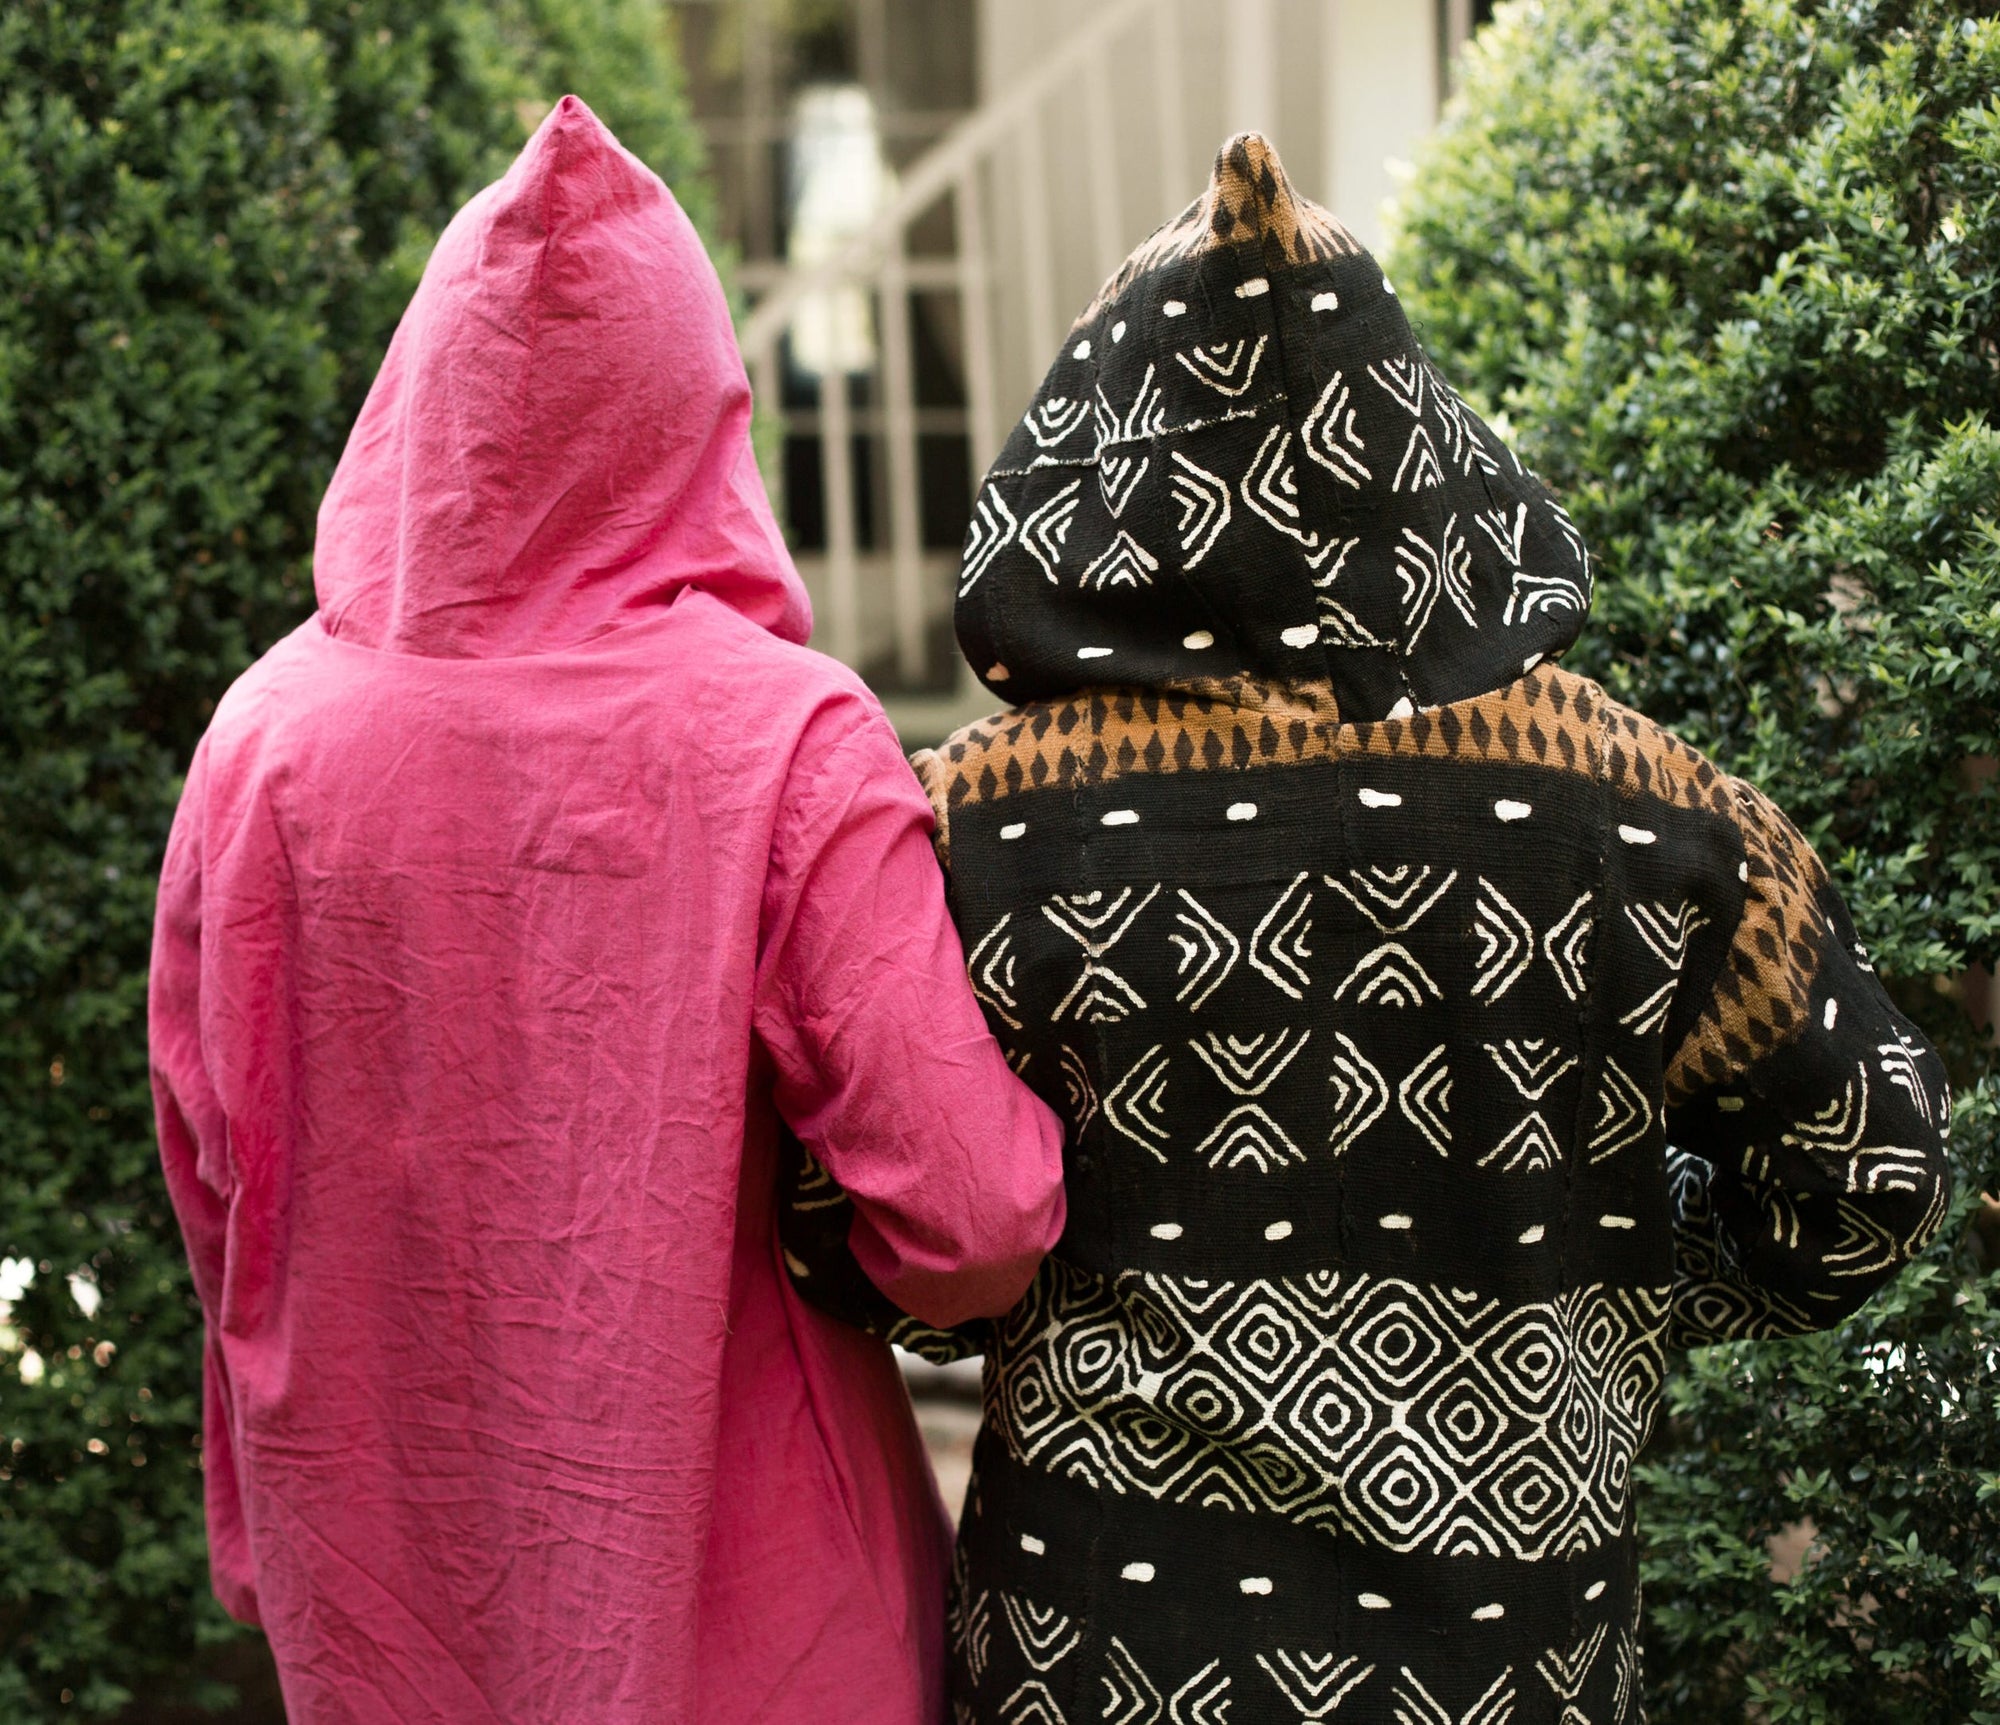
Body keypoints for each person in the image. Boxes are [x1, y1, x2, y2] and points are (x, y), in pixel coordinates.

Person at [783, 135, 1953, 1725]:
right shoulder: (1646, 807)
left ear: (1102, 468)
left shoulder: (972, 831)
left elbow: (854, 1235)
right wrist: (1621, 1258)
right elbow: (1869, 1176)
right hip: (1512, 1667)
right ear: (1418, 452)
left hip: (1102, 1660)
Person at [148, 96, 1066, 1725]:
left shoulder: (258, 746)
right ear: (696, 413)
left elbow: (224, 1200)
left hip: (382, 1607)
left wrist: (262, 1538)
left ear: (419, 401)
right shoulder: (788, 738)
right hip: (773, 1634)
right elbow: (972, 1229)